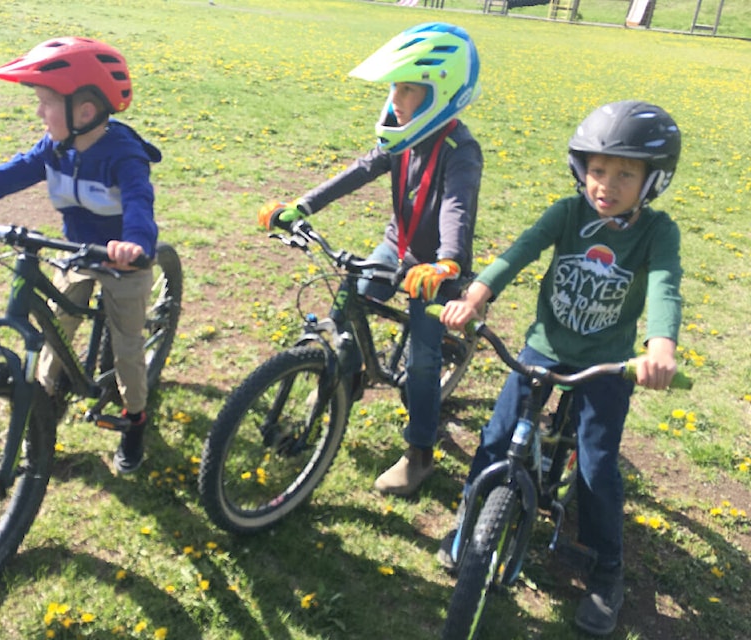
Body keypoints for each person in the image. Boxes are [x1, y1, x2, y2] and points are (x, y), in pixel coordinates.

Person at [437, 100, 683, 636]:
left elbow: (664, 285)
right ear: (581, 170)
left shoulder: (657, 233)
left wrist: (659, 347)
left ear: (653, 180)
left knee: (596, 466)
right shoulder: (568, 213)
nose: (606, 185)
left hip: (608, 364)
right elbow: (520, 251)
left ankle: (606, 572)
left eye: (625, 174)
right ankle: (470, 519)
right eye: (597, 170)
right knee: (499, 435)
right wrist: (476, 295)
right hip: (545, 346)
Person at [0, 37, 162, 475]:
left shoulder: (125, 156)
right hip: (77, 253)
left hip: (122, 262)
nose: (39, 113)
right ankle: (43, 412)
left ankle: (135, 419)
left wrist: (134, 245)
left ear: (84, 112)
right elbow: (4, 175)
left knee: (126, 348)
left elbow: (139, 203)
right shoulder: (55, 148)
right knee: (53, 332)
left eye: (46, 102)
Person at [258, 22, 483, 497]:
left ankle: (420, 453)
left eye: (406, 88)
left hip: (435, 268)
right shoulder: (400, 136)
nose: (395, 99)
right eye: (394, 87)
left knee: (422, 363)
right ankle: (347, 378)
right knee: (349, 303)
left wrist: (446, 264)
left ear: (439, 93)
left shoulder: (462, 151)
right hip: (396, 247)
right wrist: (304, 205)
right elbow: (362, 168)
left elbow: (457, 211)